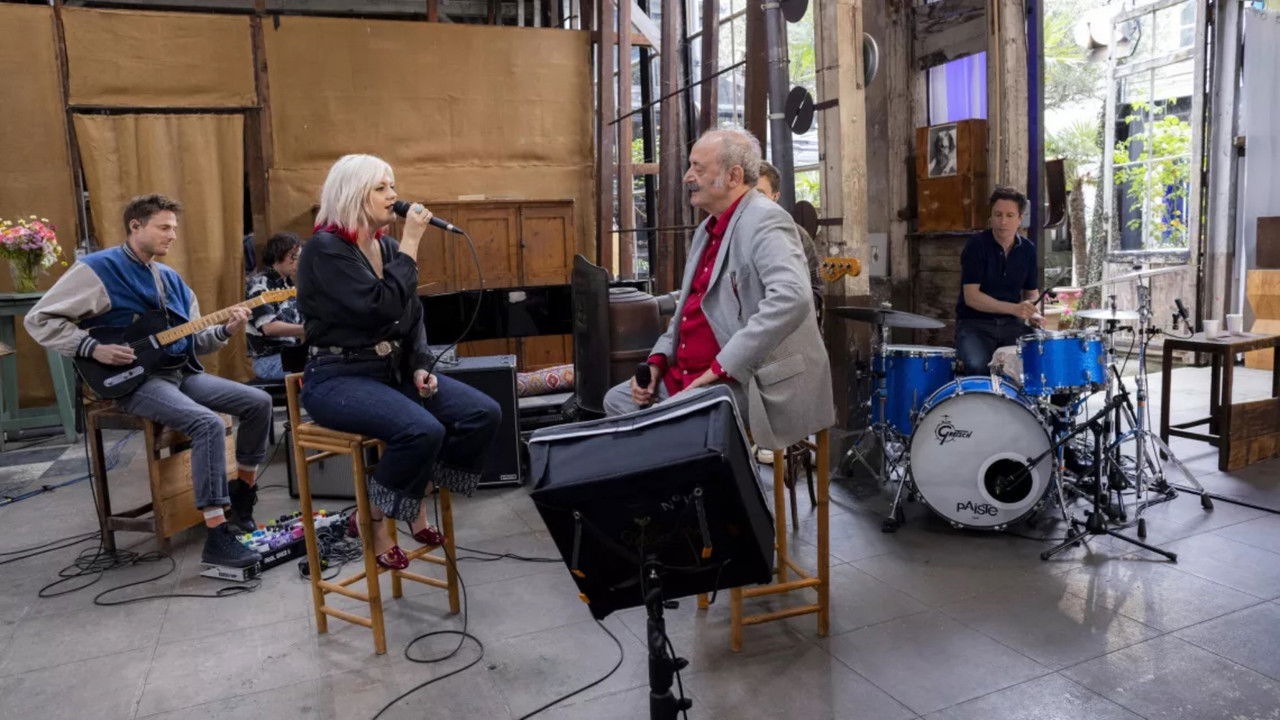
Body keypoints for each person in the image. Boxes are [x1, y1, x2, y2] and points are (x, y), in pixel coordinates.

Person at [25, 194, 271, 568]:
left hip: (179, 374)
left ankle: (242, 495)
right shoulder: (97, 270)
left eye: (174, 228)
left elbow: (193, 341)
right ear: (135, 226)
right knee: (206, 423)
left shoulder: (171, 279)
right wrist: (91, 347)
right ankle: (217, 535)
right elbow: (39, 320)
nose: (172, 235)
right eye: (164, 227)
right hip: (132, 381)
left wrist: (225, 330)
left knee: (259, 403)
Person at [296, 154, 501, 571]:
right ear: (354, 194)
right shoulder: (325, 249)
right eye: (382, 188)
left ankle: (412, 499)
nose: (394, 196)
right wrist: (411, 244)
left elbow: (410, 315)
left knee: (483, 413)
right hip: (337, 377)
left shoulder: (386, 246)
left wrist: (421, 363)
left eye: (393, 186)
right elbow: (379, 308)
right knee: (421, 429)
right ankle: (372, 519)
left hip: (392, 371)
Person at [602, 127, 834, 451]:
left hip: (745, 378)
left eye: (698, 167)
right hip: (689, 373)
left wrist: (721, 366)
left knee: (659, 425)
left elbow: (792, 298)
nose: (687, 177)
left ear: (733, 176)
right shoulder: (706, 229)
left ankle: (699, 494)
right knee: (618, 402)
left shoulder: (766, 220)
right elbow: (688, 309)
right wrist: (657, 361)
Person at [954, 186, 1042, 376]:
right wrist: (1015, 309)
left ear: (1020, 218)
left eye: (1010, 215)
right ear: (991, 216)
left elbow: (1032, 293)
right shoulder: (976, 245)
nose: (1003, 221)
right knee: (977, 366)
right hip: (975, 325)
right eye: (998, 214)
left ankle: (1028, 406)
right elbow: (972, 297)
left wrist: (1035, 313)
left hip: (1012, 326)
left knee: (1043, 359)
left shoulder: (1028, 249)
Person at [756, 160, 824, 318]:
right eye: (748, 195)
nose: (753, 201)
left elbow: (816, 289)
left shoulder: (797, 235)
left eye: (760, 194)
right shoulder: (731, 232)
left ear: (775, 196)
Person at [245, 232, 305, 380]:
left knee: (330, 359)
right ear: (279, 255)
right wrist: (307, 329)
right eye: (294, 257)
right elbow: (269, 327)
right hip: (268, 361)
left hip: (291, 355)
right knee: (320, 367)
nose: (297, 262)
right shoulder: (259, 284)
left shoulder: (289, 285)